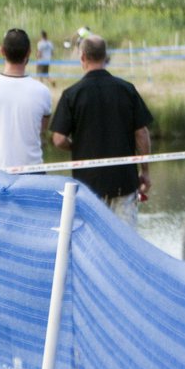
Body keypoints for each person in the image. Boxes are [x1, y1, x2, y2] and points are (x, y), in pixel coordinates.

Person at [50, 35, 153, 227]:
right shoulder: (127, 89)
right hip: (125, 180)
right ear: (105, 57)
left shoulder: (72, 95)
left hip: (89, 185)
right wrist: (145, 171)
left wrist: (77, 147)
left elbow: (58, 139)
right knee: (126, 241)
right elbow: (142, 134)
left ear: (82, 58)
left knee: (93, 241)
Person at [0, 28, 52, 170]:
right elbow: (42, 128)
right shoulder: (42, 91)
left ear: (2, 51)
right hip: (32, 172)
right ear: (29, 53)